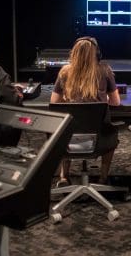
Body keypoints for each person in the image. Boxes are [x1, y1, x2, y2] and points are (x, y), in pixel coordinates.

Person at [50, 36, 120, 186]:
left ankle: (63, 176)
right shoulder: (105, 70)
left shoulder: (64, 72)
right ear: (97, 54)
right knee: (111, 133)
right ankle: (103, 177)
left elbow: (54, 102)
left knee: (64, 128)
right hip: (99, 141)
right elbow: (116, 102)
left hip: (68, 141)